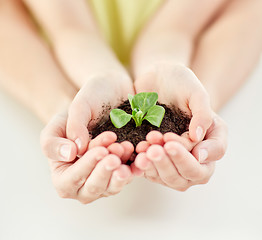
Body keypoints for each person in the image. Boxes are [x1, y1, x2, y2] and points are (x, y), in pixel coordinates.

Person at [0, 0, 261, 204]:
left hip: (206, 38)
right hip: (40, 49)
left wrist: (196, 97)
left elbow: (177, 26)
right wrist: (66, 102)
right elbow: (68, 28)